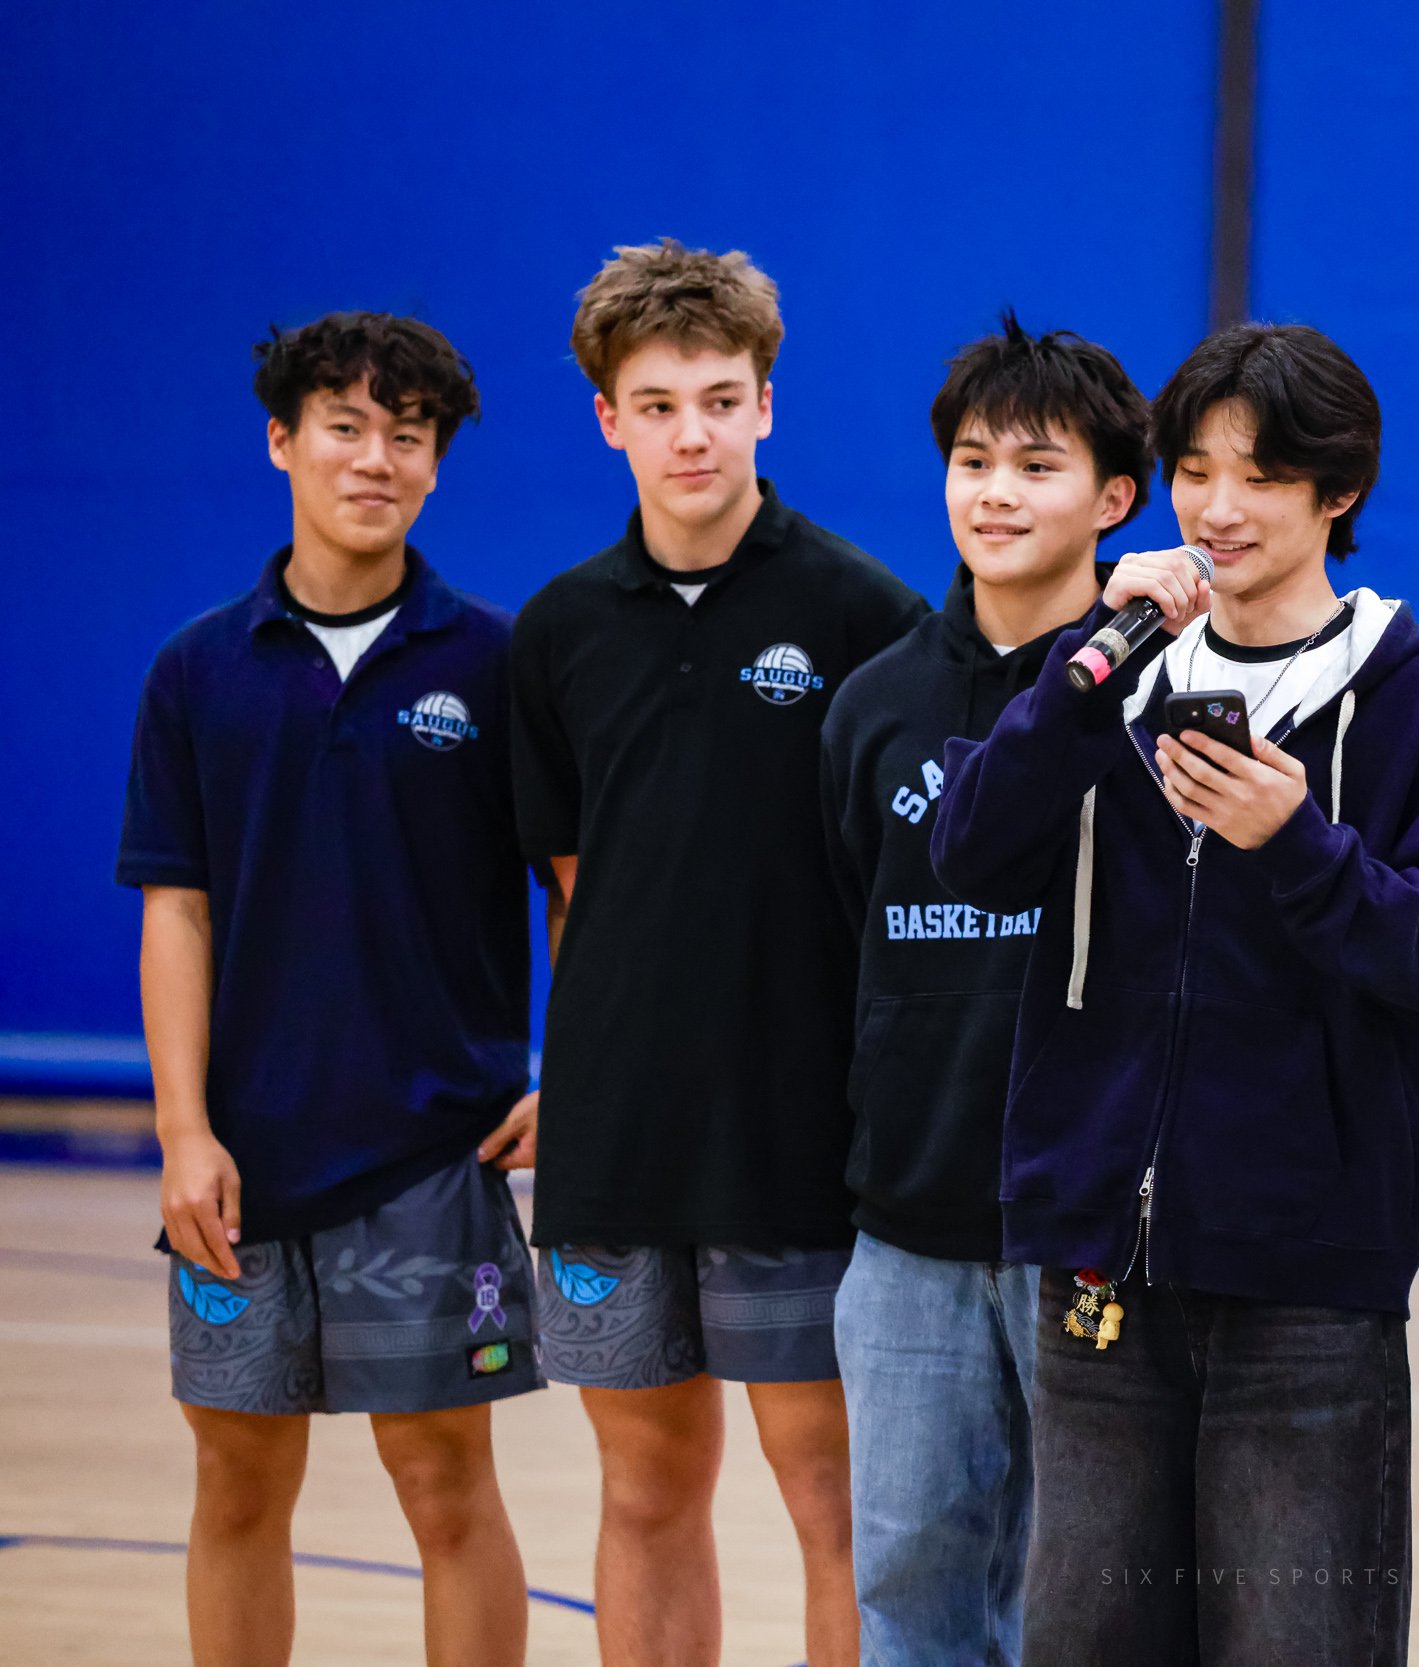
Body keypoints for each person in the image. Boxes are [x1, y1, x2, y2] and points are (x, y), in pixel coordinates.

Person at [929, 320, 1419, 1667]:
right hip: (1099, 1262)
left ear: (1338, 492)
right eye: (1195, 471)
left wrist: (1298, 845)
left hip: (1308, 1281)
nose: (1219, 507)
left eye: (1261, 476)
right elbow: (969, 847)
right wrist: (1087, 665)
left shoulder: (1413, 691)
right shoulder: (1113, 671)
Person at [509, 239, 926, 1667]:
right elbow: (578, 889)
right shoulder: (559, 630)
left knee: (834, 1503)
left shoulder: (864, 614)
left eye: (721, 400)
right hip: (618, 1142)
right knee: (644, 1492)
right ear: (608, 419)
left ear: (766, 406)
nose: (692, 433)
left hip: (797, 1134)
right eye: (658, 404)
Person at [118, 312, 538, 1667]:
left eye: (406, 437)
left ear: (436, 465)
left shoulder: (496, 664)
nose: (375, 460)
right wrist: (183, 1131)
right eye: (345, 428)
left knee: (446, 1488)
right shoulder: (197, 671)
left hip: (433, 1156)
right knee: (237, 1485)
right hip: (242, 1166)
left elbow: (581, 888)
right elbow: (177, 912)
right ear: (282, 442)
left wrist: (575, 1071)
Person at [819, 309, 1154, 1664]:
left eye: (1037, 465)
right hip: (910, 1227)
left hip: (1094, 1230)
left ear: (1115, 499)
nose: (996, 493)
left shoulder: (1165, 693)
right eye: (973, 462)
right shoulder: (877, 702)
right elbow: (850, 943)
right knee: (911, 1590)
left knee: (1098, 1599)